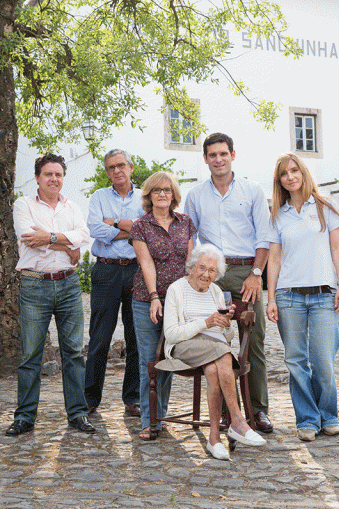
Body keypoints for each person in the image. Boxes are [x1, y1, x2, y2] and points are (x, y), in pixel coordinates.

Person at [184, 132, 275, 433]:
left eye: (223, 154)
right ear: (206, 159)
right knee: (216, 341)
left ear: (233, 155)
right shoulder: (196, 195)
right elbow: (191, 238)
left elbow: (265, 236)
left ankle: (258, 411)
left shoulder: (252, 190)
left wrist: (256, 274)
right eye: (212, 155)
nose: (218, 159)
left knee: (254, 341)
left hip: (247, 272)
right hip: (213, 275)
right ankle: (227, 410)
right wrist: (194, 276)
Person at [6, 152, 94, 435]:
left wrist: (51, 238)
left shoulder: (72, 207)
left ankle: (78, 414)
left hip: (69, 285)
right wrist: (67, 243)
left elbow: (84, 235)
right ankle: (25, 417)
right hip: (34, 285)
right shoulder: (23, 205)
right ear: (37, 178)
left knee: (73, 353)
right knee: (31, 355)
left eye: (58, 174)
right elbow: (29, 239)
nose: (54, 179)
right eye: (48, 174)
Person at [265, 153, 339, 442]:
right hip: (289, 297)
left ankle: (329, 415)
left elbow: (337, 249)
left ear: (303, 172)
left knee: (323, 359)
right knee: (296, 361)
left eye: (294, 170)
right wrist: (272, 298)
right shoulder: (278, 213)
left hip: (325, 295)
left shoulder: (326, 206)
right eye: (284, 174)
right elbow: (274, 259)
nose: (290, 176)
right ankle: (308, 420)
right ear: (280, 181)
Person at [159, 244, 267, 460]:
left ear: (217, 274)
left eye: (212, 270)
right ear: (191, 267)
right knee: (224, 354)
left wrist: (225, 325)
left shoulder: (217, 292)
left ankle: (214, 438)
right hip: (185, 346)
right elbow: (171, 335)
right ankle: (237, 420)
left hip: (212, 350)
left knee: (212, 369)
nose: (206, 274)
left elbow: (226, 337)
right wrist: (206, 323)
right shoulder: (176, 289)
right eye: (202, 268)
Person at [129, 171, 196, 440]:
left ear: (174, 195)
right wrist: (155, 297)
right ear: (148, 195)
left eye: (167, 190)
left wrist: (190, 298)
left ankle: (160, 414)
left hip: (179, 301)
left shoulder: (186, 222)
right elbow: (147, 264)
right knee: (150, 361)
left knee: (168, 358)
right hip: (148, 300)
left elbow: (191, 262)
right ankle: (149, 421)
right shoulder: (140, 226)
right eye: (156, 190)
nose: (162, 194)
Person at [84, 149, 143, 418]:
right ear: (107, 172)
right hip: (106, 272)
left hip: (137, 272)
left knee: (136, 338)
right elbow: (95, 230)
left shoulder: (144, 197)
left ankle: (132, 398)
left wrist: (116, 224)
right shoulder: (98, 197)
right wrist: (131, 230)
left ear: (131, 167)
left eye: (121, 165)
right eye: (111, 168)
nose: (116, 171)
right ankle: (89, 399)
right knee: (99, 338)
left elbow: (148, 230)